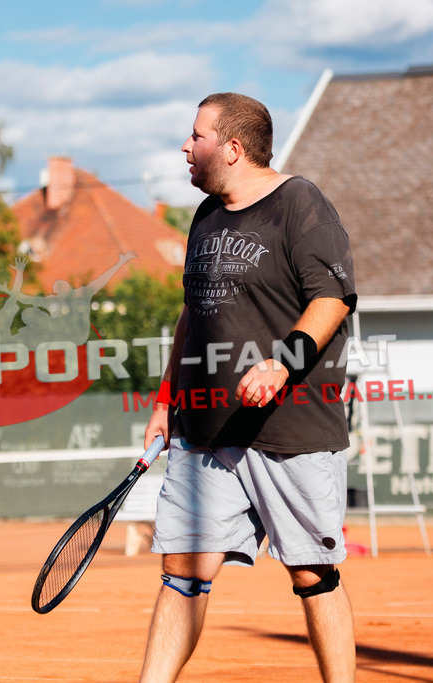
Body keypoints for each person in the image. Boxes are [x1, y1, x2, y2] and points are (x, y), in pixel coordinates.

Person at [141, 92, 358, 682]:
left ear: (232, 149)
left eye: (197, 136)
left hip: (292, 429)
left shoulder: (300, 203)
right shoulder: (205, 216)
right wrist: (165, 401)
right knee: (183, 571)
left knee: (313, 572)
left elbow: (330, 298)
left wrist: (282, 364)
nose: (186, 147)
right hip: (205, 430)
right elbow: (193, 315)